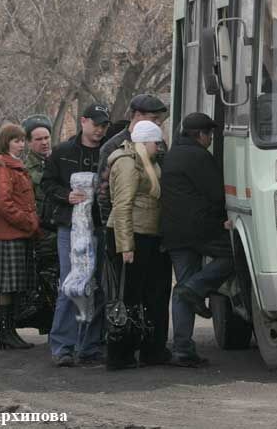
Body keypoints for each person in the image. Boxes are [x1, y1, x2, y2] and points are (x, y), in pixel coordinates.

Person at [161, 112, 234, 368]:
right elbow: (217, 194)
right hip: (201, 229)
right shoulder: (200, 157)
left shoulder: (170, 156)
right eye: (209, 135)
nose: (211, 139)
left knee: (182, 286)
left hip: (172, 232)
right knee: (233, 256)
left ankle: (182, 349)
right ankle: (196, 287)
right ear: (200, 135)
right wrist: (223, 218)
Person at [42, 103, 110, 367]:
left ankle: (90, 346)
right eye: (96, 125)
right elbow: (47, 183)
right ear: (83, 122)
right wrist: (65, 196)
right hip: (69, 229)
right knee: (71, 285)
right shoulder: (62, 152)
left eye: (104, 126)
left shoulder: (107, 153)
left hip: (99, 227)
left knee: (98, 287)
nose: (100, 130)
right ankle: (62, 347)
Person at [104, 121, 171, 370]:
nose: (159, 147)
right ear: (144, 143)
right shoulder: (126, 162)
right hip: (131, 236)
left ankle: (150, 348)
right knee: (127, 296)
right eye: (156, 143)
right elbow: (122, 206)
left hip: (147, 235)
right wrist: (126, 246)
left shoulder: (146, 162)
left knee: (150, 294)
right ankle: (120, 352)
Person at [0, 123, 39, 350]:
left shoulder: (15, 166)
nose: (21, 145)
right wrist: (27, 221)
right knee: (7, 285)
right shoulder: (2, 168)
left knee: (15, 285)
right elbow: (2, 203)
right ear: (6, 142)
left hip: (19, 233)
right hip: (10, 234)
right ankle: (5, 332)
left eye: (23, 140)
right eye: (16, 141)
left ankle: (10, 330)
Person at [96, 94, 168, 227]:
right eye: (154, 118)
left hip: (153, 222)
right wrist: (109, 227)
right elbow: (103, 192)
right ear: (138, 115)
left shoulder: (159, 144)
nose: (159, 122)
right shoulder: (113, 146)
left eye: (160, 118)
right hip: (123, 222)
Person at [18, 114, 58, 334]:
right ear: (29, 142)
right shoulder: (26, 169)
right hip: (42, 234)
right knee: (45, 284)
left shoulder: (58, 160)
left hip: (60, 230)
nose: (44, 142)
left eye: (46, 137)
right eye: (38, 139)